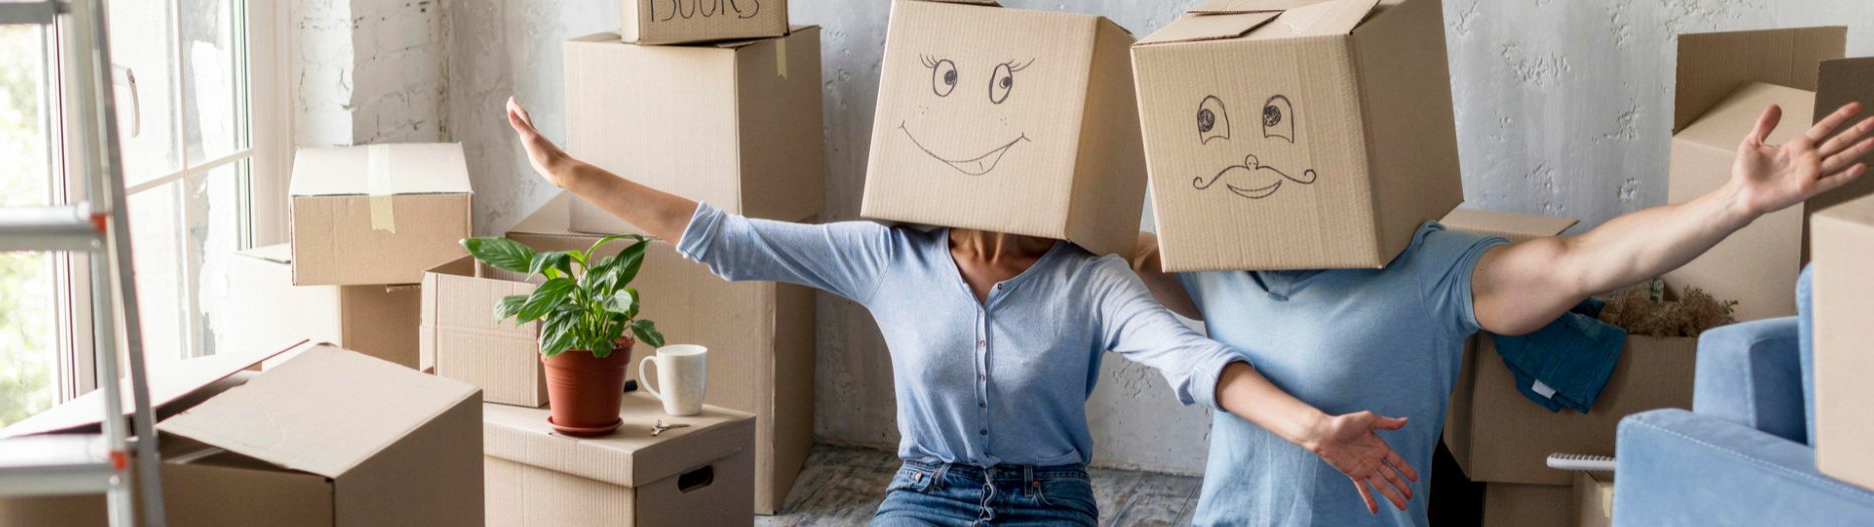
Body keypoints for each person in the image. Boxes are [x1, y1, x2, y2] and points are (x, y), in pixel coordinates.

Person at [504, 97, 1424, 525]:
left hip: (1049, 502)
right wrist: (566, 171)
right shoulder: (886, 255)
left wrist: (1313, 430)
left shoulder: (1086, 277)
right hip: (926, 493)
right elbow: (726, 237)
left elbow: (1190, 356)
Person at [1130, 102, 1874, 526]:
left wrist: (1736, 202)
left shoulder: (1425, 269)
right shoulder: (1214, 261)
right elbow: (1103, 247)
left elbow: (1580, 263)